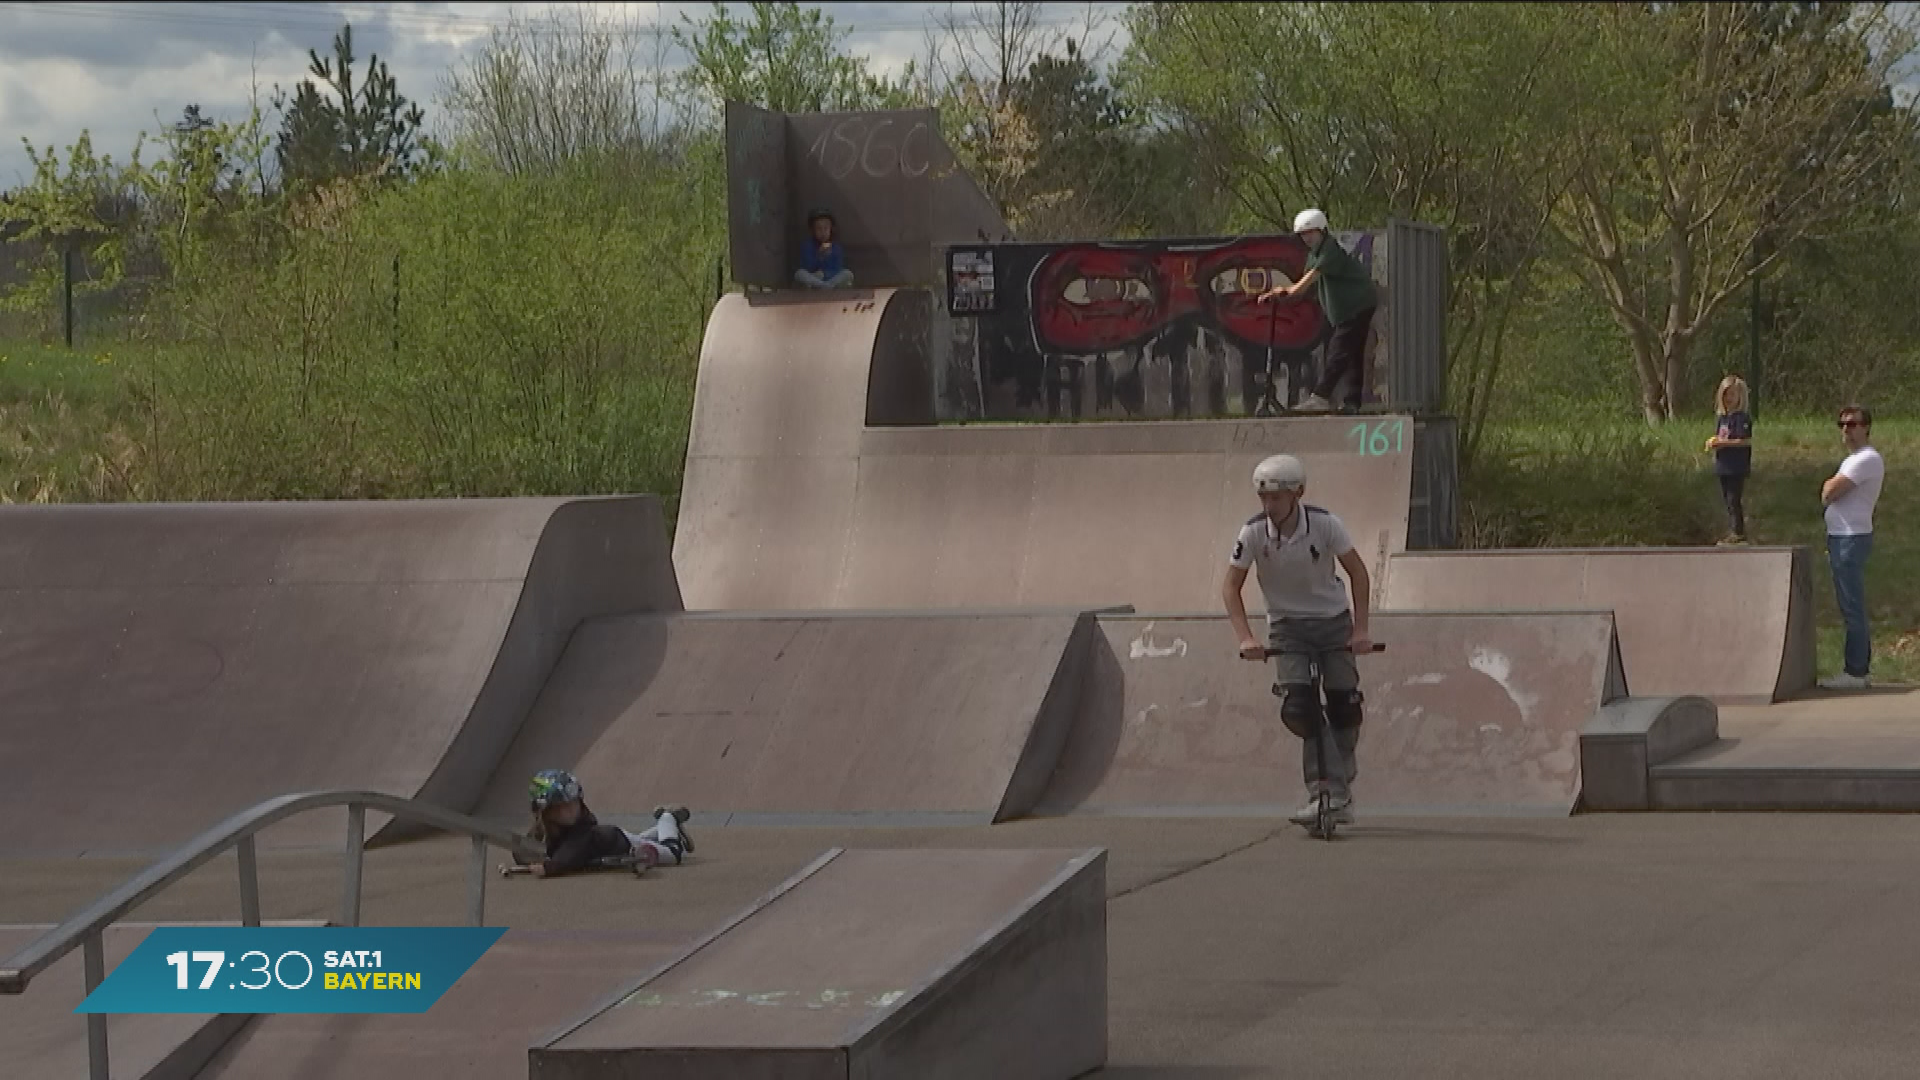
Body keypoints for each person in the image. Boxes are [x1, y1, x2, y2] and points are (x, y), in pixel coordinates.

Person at [1222, 453, 1377, 825]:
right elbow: (1231, 586)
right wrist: (1246, 637)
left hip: (1332, 621)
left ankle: (1336, 784)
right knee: (1300, 709)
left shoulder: (1326, 525)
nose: (1269, 506)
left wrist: (1360, 630)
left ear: (1298, 493)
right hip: (1287, 626)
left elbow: (1358, 573)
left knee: (1345, 706)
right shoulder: (1253, 533)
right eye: (1263, 498)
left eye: (1276, 497)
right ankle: (1329, 792)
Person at [1258, 208, 1378, 413]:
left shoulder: (1329, 250)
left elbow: (1302, 285)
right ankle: (1352, 402)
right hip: (1352, 307)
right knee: (1353, 352)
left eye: (1310, 233)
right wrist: (1280, 294)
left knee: (1338, 351)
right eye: (1303, 234)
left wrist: (1284, 291)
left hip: (1357, 304)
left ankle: (1321, 396)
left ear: (1322, 231)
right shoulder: (1315, 254)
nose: (1307, 238)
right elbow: (1304, 287)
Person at [519, 769, 693, 877]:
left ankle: (668, 818)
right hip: (611, 844)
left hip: (622, 842)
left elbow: (572, 852)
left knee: (674, 853)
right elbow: (523, 849)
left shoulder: (583, 832)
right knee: (643, 839)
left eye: (574, 802)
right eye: (562, 806)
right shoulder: (548, 829)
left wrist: (549, 867)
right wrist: (527, 857)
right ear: (545, 812)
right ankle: (662, 828)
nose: (572, 809)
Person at [1820, 405, 1884, 690]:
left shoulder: (1867, 459)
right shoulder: (1852, 459)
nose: (1847, 429)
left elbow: (1829, 492)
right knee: (1849, 606)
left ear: (1866, 427)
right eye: (1842, 424)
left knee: (1852, 606)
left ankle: (1856, 671)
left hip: (1851, 538)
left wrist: (1829, 487)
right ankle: (1856, 669)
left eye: (1853, 424)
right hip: (1841, 537)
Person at [1705, 375, 1754, 544]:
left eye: (1732, 395)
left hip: (1736, 466)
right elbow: (1720, 437)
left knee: (1734, 498)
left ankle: (1738, 532)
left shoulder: (1741, 418)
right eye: (1725, 395)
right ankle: (1733, 529)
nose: (1729, 399)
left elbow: (1744, 440)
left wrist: (1723, 443)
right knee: (1727, 499)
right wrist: (1714, 444)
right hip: (1723, 465)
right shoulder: (1723, 418)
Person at [794, 209, 854, 289]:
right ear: (813, 231)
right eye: (819, 229)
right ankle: (823, 286)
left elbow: (838, 268)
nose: (822, 232)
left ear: (831, 230)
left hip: (830, 278)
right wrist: (819, 257)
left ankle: (826, 286)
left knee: (848, 273)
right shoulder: (808, 245)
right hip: (815, 278)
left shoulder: (836, 247)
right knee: (799, 273)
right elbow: (807, 267)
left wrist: (825, 274)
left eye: (825, 228)